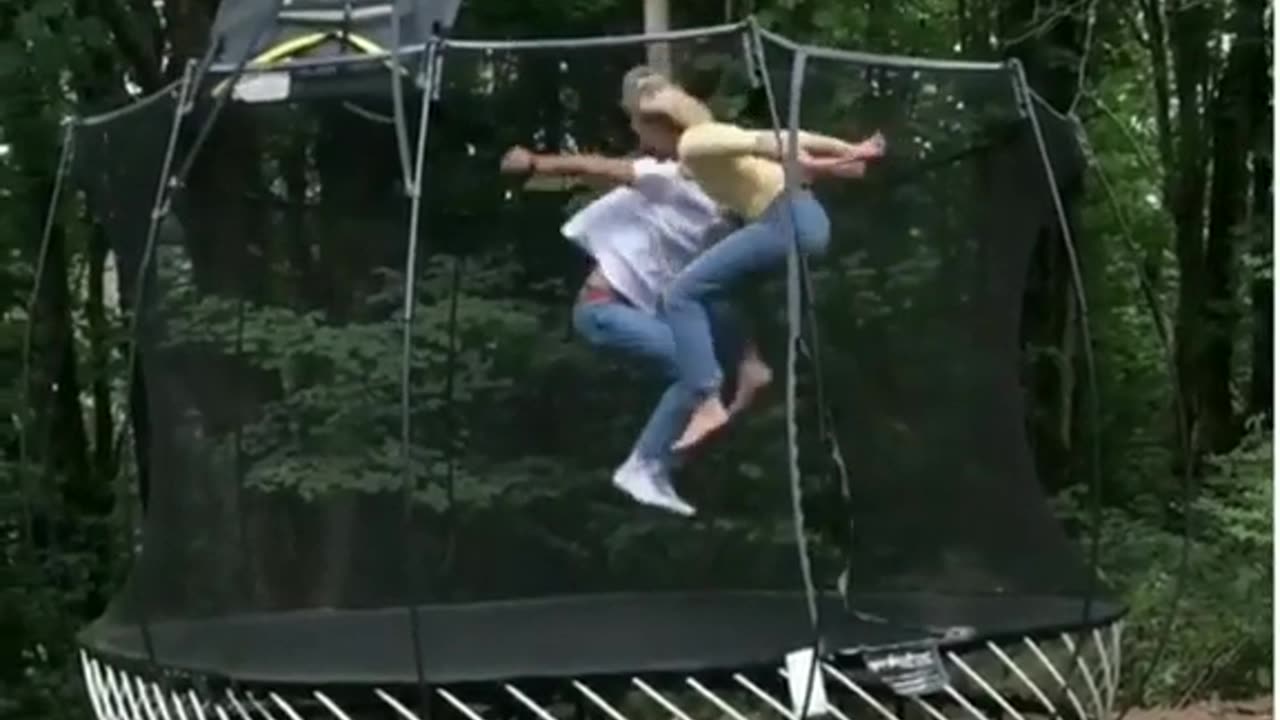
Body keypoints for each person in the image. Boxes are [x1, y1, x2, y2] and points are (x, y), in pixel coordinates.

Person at [611, 72, 887, 510]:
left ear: (660, 125)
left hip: (787, 222)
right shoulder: (699, 151)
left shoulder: (695, 142)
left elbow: (784, 147)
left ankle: (707, 397)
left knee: (680, 295)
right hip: (799, 221)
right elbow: (786, 138)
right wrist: (849, 152)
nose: (641, 141)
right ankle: (749, 366)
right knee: (709, 292)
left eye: (641, 130)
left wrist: (835, 161)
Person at [496, 103, 773, 515]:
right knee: (696, 371)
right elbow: (606, 169)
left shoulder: (723, 234)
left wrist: (752, 361)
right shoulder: (676, 181)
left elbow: (721, 300)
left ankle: (661, 463)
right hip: (601, 308)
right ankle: (644, 465)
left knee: (705, 364)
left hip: (636, 313)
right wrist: (537, 162)